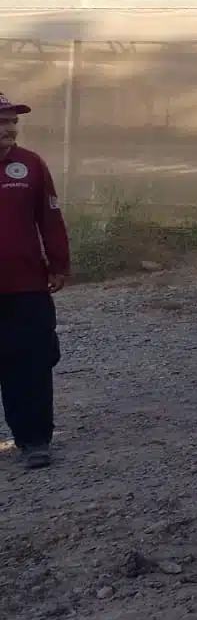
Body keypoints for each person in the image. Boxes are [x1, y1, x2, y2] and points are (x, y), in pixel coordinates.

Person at [0, 93, 69, 469]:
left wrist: (59, 264)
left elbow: (50, 218)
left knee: (30, 363)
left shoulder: (30, 165)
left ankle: (34, 440)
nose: (8, 128)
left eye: (11, 121)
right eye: (0, 122)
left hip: (26, 287)